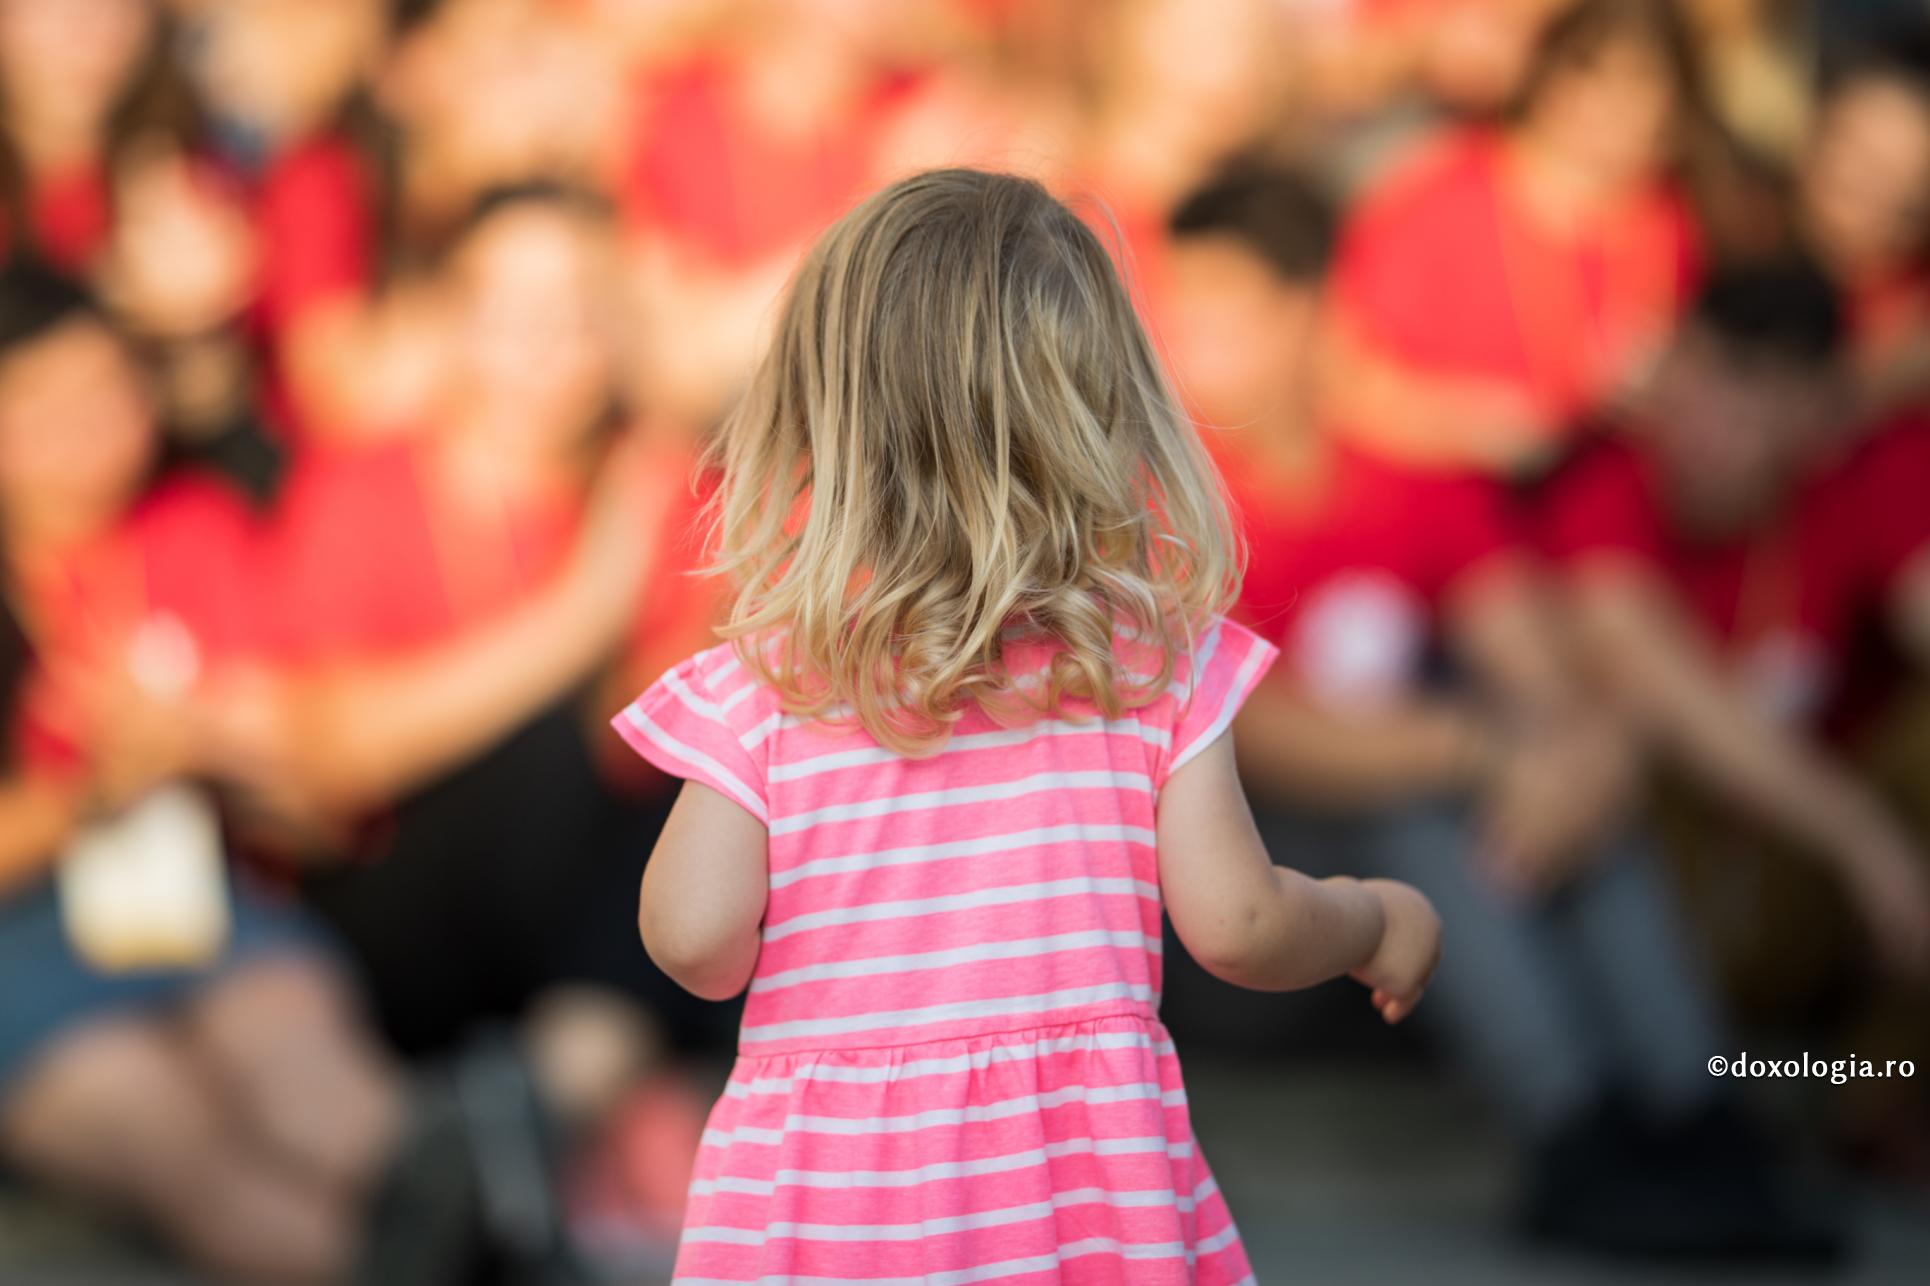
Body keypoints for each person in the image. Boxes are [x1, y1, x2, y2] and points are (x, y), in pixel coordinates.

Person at [610, 167, 1441, 1283]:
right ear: (1107, 414)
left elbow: (695, 934)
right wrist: (1367, 916)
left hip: (833, 1212)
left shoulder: (768, 681)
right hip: (1067, 1197)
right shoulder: (1146, 665)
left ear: (824, 419)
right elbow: (1239, 923)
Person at [1162, 164, 1841, 1263]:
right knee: (1426, 804)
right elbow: (1265, 734)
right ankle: (1572, 1137)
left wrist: (1564, 756)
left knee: (1565, 790)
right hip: (1240, 915)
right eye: (1176, 307)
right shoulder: (1173, 502)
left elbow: (1538, 665)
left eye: (1218, 309)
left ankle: (1700, 1118)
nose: (1183, 340)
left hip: (1398, 909)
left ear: (1308, 310)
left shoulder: (1405, 483)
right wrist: (1484, 749)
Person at [0, 262, 427, 1285]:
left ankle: (475, 1226)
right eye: (41, 400)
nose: (86, 423)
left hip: (208, 904)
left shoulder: (197, 526)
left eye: (109, 387)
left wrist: (222, 747)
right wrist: (95, 787)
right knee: (179, 1141)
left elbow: (314, 808)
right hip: (25, 943)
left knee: (331, 1100)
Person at [1319, 0, 1704, 477]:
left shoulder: (1678, 226)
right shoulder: (1435, 194)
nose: (1607, 103)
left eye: (1639, 82)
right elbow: (1339, 383)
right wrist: (1467, 428)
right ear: (1543, 72)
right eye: (1585, 70)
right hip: (1438, 507)